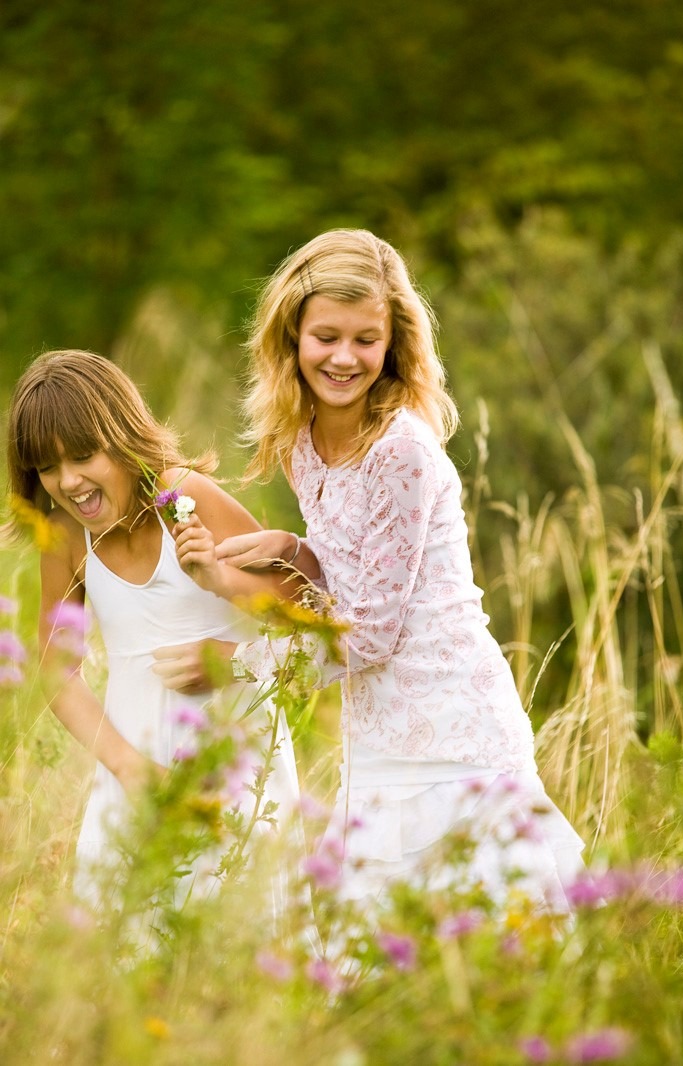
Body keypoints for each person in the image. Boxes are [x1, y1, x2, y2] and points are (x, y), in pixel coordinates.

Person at [158, 229, 585, 914]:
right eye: (326, 336)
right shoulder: (301, 441)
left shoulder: (402, 452)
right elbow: (362, 570)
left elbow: (372, 634)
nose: (344, 357)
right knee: (379, 959)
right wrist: (298, 550)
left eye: (366, 339)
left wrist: (238, 663)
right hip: (378, 732)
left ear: (393, 344)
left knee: (480, 951)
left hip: (450, 732)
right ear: (291, 336)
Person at [6, 349, 304, 913]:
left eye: (84, 455)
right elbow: (55, 668)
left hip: (233, 762)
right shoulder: (67, 535)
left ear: (120, 436)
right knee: (135, 947)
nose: (69, 481)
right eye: (47, 467)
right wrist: (126, 767)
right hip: (136, 769)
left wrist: (218, 583)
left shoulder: (183, 497)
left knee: (241, 928)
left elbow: (297, 605)